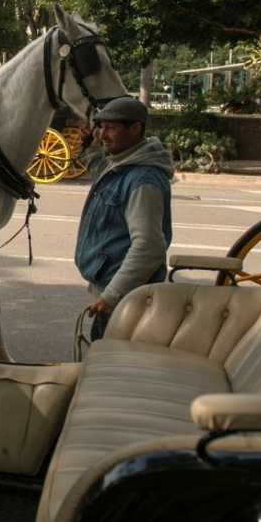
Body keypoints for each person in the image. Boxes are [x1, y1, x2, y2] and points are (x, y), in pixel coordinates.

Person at [74, 96, 173, 344]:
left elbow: (148, 247)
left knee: (106, 368)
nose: (103, 134)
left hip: (123, 301)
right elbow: (102, 171)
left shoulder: (143, 181)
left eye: (111, 127)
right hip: (114, 293)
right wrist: (89, 147)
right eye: (101, 127)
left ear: (135, 128)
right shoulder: (123, 165)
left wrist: (111, 297)